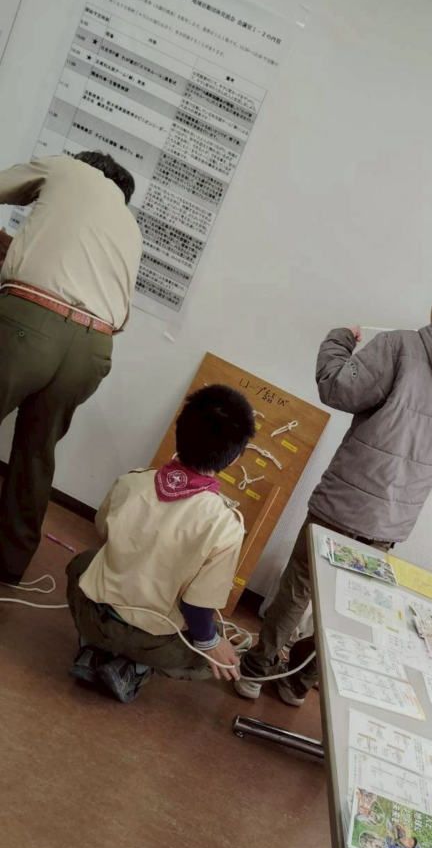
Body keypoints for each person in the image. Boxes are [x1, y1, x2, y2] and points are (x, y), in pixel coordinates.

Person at [237, 265, 432, 704]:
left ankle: (254, 673)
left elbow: (337, 388)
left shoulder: (401, 345)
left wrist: (340, 341)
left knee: (299, 587)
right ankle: (298, 684)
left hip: (344, 500)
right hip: (393, 518)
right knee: (347, 603)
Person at [0, 152, 142, 584]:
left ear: (87, 164)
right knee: (36, 452)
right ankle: (9, 563)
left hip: (31, 324)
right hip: (93, 348)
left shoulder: (68, 168)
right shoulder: (130, 228)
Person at [65, 385, 255, 702]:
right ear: (235, 457)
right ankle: (135, 668)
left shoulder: (132, 480)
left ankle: (92, 648)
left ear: (178, 432)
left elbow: (103, 531)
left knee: (82, 563)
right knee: (214, 653)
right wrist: (212, 643)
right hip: (152, 642)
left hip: (96, 617)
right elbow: (197, 606)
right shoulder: (225, 524)